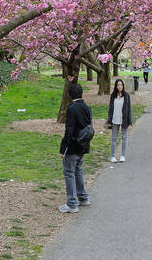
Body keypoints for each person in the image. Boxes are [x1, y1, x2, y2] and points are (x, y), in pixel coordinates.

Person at [58, 83, 92, 212]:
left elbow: (69, 130)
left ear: (70, 95)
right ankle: (83, 198)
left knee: (69, 173)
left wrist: (63, 149)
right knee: (78, 170)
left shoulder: (72, 109)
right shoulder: (87, 108)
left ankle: (72, 203)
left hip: (73, 145)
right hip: (83, 144)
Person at [107, 79, 132, 163]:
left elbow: (129, 109)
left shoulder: (126, 96)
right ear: (116, 86)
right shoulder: (113, 96)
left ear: (123, 86)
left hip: (124, 119)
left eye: (121, 85)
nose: (119, 86)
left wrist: (129, 121)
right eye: (118, 85)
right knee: (114, 138)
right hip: (114, 119)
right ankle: (113, 156)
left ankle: (123, 155)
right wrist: (109, 121)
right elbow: (110, 109)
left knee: (124, 137)